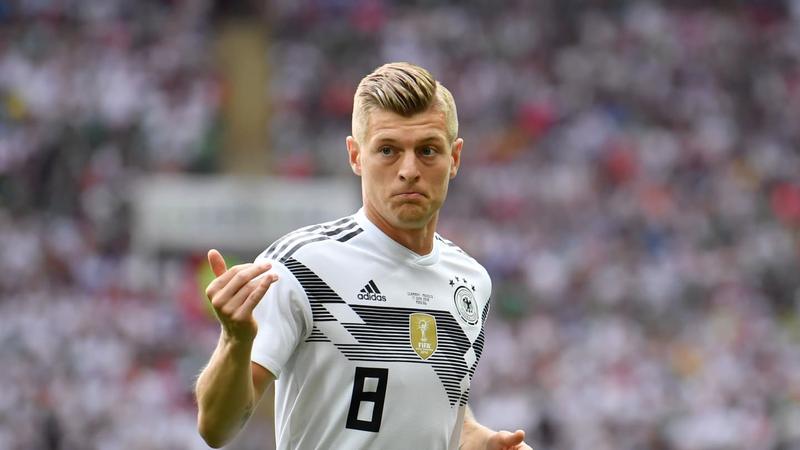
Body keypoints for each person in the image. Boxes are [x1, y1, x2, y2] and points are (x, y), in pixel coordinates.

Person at [194, 62, 531, 450]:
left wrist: (480, 441)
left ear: (454, 158)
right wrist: (235, 341)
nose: (409, 170)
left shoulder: (471, 280)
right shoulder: (299, 265)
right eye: (388, 150)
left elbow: (439, 412)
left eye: (428, 150)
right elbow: (216, 428)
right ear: (356, 156)